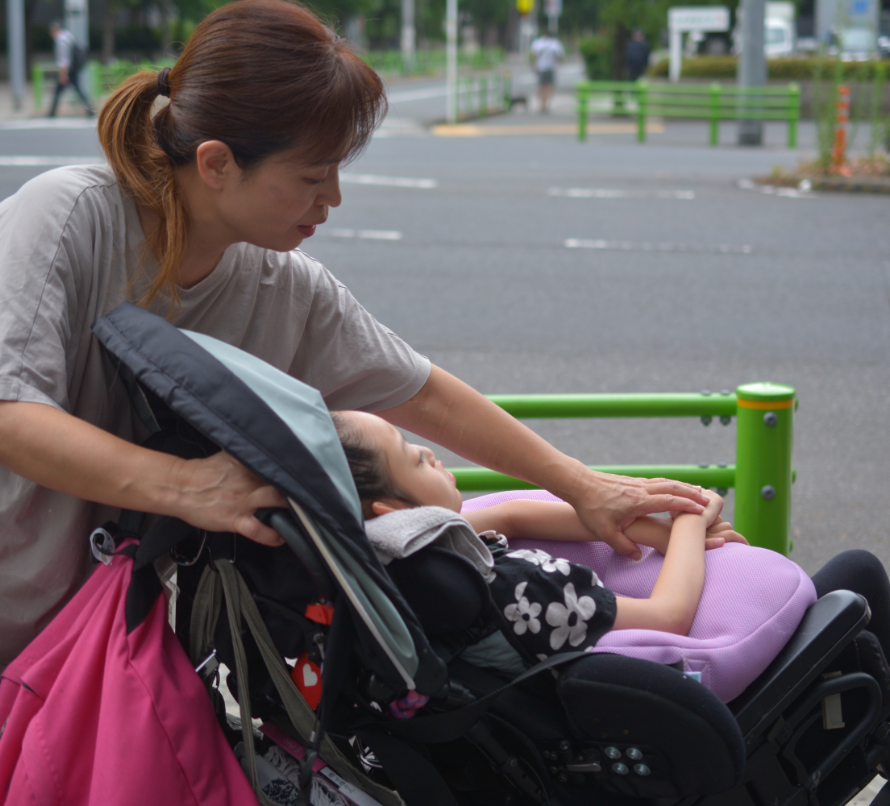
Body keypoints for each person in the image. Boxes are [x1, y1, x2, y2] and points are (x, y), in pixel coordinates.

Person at [0, 0, 708, 669]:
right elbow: (11, 413)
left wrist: (585, 487)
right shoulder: (68, 218)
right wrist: (188, 486)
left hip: (129, 646)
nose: (333, 197)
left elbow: (423, 396)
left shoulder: (284, 285)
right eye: (312, 175)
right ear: (216, 164)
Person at [333, 410, 890, 668]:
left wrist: (660, 531)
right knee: (859, 575)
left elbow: (517, 512)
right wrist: (692, 521)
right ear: (393, 511)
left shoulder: (392, 566)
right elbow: (667, 615)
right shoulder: (517, 590)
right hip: (682, 705)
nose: (430, 452)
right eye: (413, 457)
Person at [48, 21, 93, 118]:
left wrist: (63, 73)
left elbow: (64, 59)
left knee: (59, 91)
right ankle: (90, 110)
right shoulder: (68, 36)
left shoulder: (61, 40)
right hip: (73, 69)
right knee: (78, 90)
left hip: (68, 70)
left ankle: (52, 113)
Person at [530, 31, 564, 113]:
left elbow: (533, 55)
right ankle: (547, 104)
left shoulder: (538, 43)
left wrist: (532, 65)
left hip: (540, 67)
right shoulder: (555, 43)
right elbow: (560, 56)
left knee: (540, 86)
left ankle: (541, 104)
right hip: (551, 67)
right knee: (549, 86)